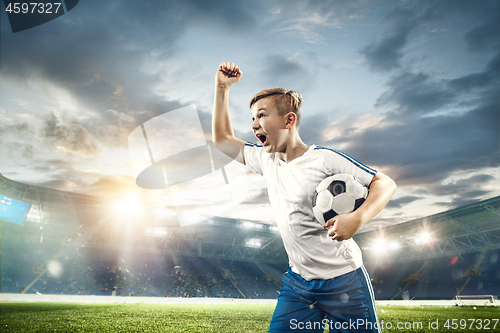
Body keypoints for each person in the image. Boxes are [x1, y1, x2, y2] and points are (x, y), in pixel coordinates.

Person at [212, 61, 397, 332]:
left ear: (289, 120)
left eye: (262, 115)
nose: (254, 125)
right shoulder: (266, 159)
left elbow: (385, 183)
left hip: (344, 281)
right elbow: (222, 140)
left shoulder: (324, 159)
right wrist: (221, 87)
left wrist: (358, 218)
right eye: (252, 118)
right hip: (298, 284)